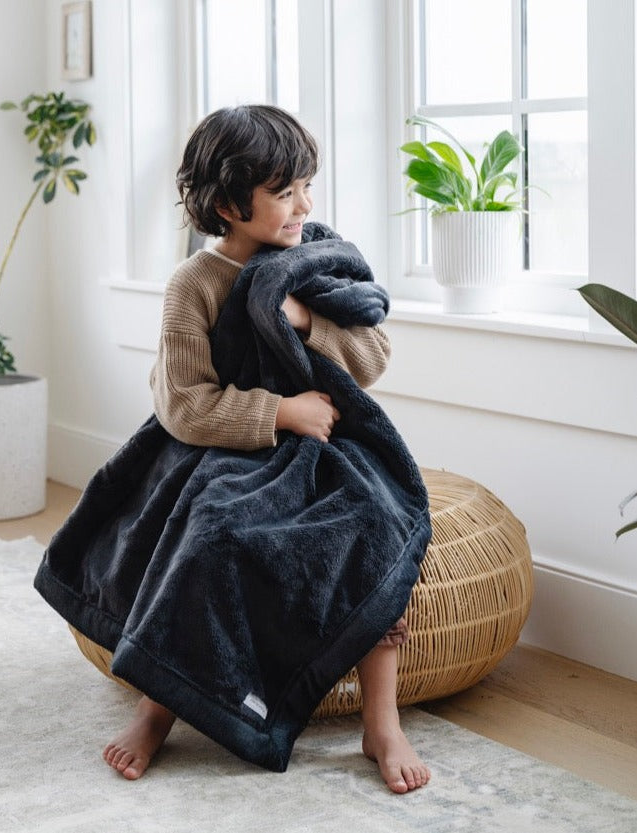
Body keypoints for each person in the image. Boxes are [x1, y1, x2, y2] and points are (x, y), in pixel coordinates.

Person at [101, 105, 431, 793]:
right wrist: (276, 410)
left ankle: (381, 719)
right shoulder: (194, 284)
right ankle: (158, 706)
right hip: (223, 446)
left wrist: (307, 319)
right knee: (207, 537)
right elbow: (184, 401)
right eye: (285, 192)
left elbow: (371, 356)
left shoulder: (313, 263)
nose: (304, 205)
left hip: (326, 444)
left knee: (372, 532)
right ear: (226, 203)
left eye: (307, 185)